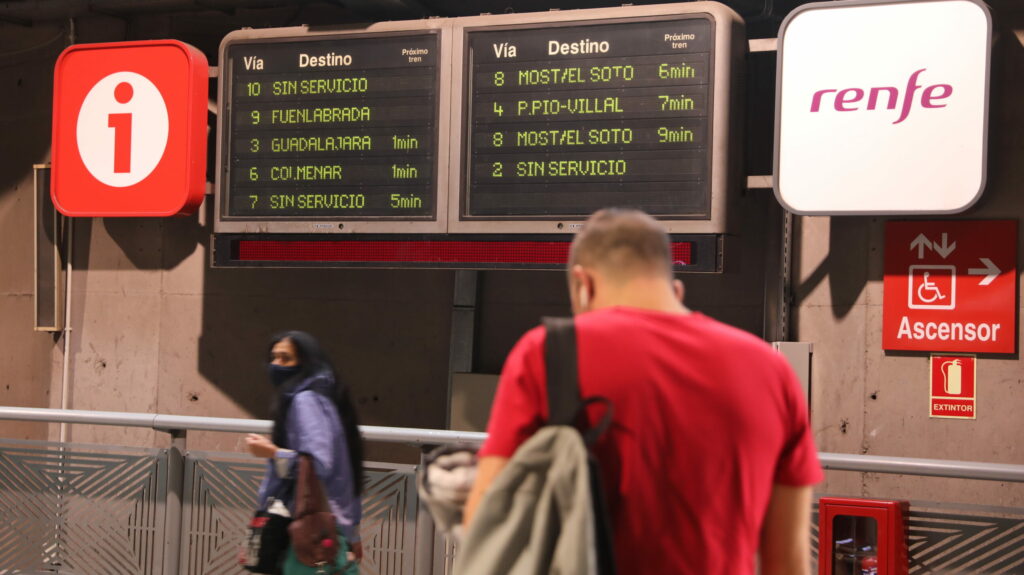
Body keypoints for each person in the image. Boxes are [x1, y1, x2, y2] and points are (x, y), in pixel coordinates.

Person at [464, 209, 823, 575]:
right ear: (675, 288)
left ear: (582, 286)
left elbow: (487, 518)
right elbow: (788, 560)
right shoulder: (772, 370)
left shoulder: (547, 352)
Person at [246, 330, 364, 574]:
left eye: (285, 358)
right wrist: (352, 531)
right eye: (274, 357)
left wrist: (272, 452)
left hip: (308, 524)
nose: (276, 365)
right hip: (327, 522)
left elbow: (319, 463)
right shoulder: (323, 395)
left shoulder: (305, 400)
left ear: (305, 362)